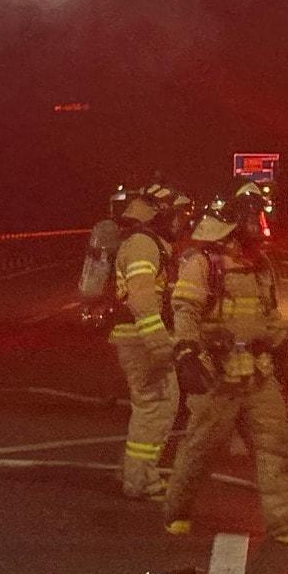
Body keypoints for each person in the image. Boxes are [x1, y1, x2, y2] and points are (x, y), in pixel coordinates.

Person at [163, 188, 288, 545]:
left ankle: (285, 524)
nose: (258, 228)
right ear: (233, 224)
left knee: (275, 448)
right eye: (252, 221)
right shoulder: (203, 262)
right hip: (219, 374)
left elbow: (268, 312)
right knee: (201, 447)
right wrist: (185, 353)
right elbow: (185, 310)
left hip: (258, 372)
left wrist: (280, 350)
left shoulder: (259, 264)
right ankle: (177, 511)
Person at [110, 182, 185, 499]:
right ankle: (140, 481)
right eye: (177, 214)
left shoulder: (146, 242)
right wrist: (160, 344)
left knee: (151, 406)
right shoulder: (143, 245)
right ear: (161, 214)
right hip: (142, 337)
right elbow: (142, 297)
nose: (181, 221)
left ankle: (132, 471)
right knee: (156, 407)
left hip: (137, 335)